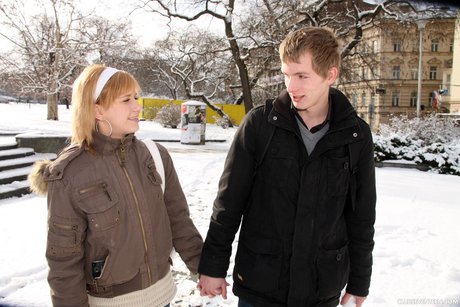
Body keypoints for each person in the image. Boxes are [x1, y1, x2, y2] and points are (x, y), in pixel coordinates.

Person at [197, 26, 376, 307]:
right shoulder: (260, 125)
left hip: (321, 289)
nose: (291, 86)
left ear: (330, 75)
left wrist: (359, 282)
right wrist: (213, 267)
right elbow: (228, 203)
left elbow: (361, 217)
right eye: (286, 75)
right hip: (260, 286)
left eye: (302, 76)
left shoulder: (356, 135)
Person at [28, 64, 203, 306]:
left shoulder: (154, 155)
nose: (137, 106)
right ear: (98, 110)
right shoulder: (69, 173)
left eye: (136, 97)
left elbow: (179, 219)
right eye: (126, 100)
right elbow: (63, 261)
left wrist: (204, 269)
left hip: (163, 296)